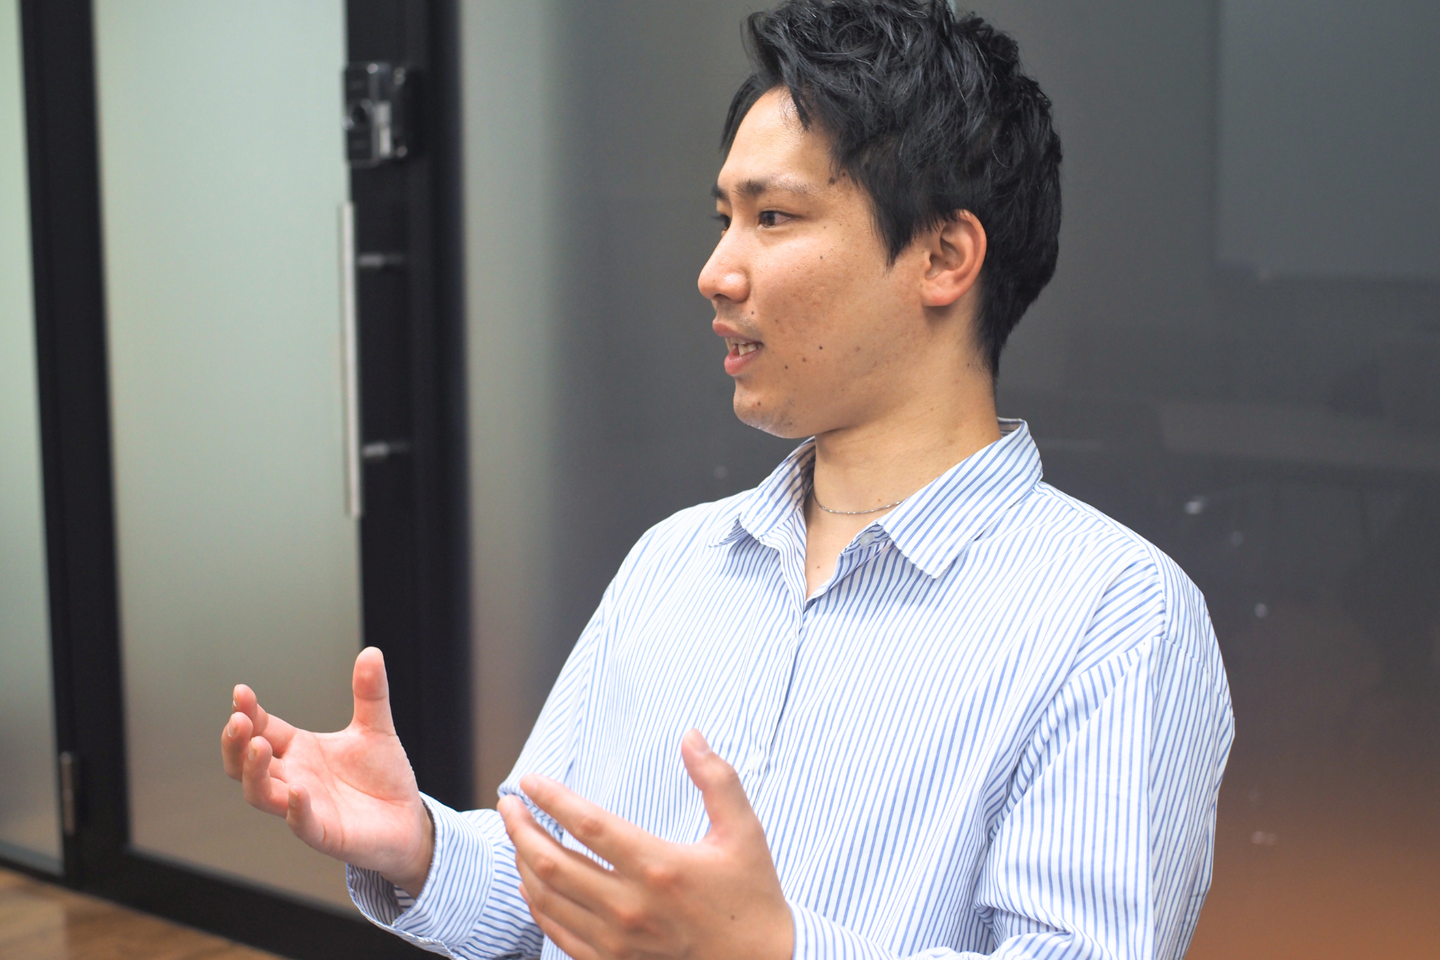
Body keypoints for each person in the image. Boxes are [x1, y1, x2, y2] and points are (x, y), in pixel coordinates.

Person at [220, 1, 1232, 957]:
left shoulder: (1114, 618)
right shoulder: (676, 561)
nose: (715, 271)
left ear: (942, 255)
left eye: (774, 217)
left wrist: (771, 948)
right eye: (723, 218)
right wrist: (421, 845)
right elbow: (563, 881)